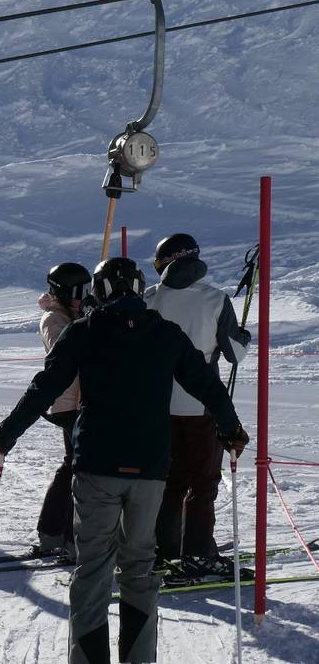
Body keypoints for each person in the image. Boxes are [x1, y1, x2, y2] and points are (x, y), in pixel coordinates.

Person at [0, 257, 248, 664]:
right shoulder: (166, 333)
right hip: (149, 469)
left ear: (99, 290)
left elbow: (44, 387)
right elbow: (207, 386)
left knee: (93, 569)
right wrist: (231, 430)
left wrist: (6, 436)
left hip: (97, 466)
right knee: (139, 566)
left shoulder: (83, 331)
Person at [146, 233, 251, 576]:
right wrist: (242, 336)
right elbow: (235, 354)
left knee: (170, 481)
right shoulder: (215, 299)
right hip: (202, 405)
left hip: (159, 405)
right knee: (203, 484)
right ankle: (197, 553)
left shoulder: (149, 298)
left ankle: (167, 548)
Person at [33, 262, 92, 559]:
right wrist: (89, 322)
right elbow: (67, 349)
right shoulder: (52, 318)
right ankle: (68, 537)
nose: (85, 297)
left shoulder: (72, 314)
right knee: (79, 469)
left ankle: (53, 532)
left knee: (72, 466)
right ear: (62, 292)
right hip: (69, 404)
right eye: (79, 292)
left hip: (79, 401)